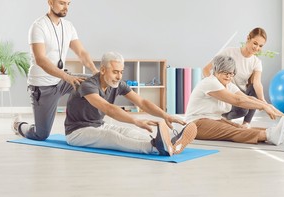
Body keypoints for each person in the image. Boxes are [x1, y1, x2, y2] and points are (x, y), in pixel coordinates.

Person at [64, 52, 197, 156]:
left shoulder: (117, 84)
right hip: (76, 133)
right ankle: (155, 148)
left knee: (128, 131)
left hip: (99, 126)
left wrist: (165, 115)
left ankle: (167, 142)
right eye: (115, 72)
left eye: (121, 72)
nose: (119, 76)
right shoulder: (88, 85)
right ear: (103, 70)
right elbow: (108, 108)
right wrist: (136, 120)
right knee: (112, 137)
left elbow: (142, 102)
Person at [12, 0, 99, 140]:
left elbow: (81, 52)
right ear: (50, 2)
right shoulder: (38, 26)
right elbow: (41, 60)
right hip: (42, 86)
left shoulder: (68, 26)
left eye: (68, 3)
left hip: (61, 80)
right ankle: (19, 126)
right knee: (41, 134)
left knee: (93, 82)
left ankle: (85, 124)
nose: (66, 7)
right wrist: (67, 77)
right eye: (61, 3)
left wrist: (95, 71)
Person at [187, 55, 284, 145]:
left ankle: (275, 132)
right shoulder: (210, 82)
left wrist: (268, 105)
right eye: (225, 73)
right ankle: (268, 135)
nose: (229, 76)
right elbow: (238, 100)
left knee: (240, 127)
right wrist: (264, 107)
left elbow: (246, 98)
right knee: (233, 131)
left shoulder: (228, 84)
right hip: (195, 124)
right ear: (216, 70)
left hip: (214, 119)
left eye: (231, 73)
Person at [203, 27, 268, 128]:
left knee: (253, 91)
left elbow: (257, 83)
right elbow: (206, 69)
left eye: (260, 46)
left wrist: (263, 102)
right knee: (243, 109)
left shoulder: (256, 62)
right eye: (255, 43)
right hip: (227, 93)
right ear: (248, 38)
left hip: (241, 94)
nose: (257, 48)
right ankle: (222, 117)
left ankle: (246, 123)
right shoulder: (229, 52)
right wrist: (216, 86)